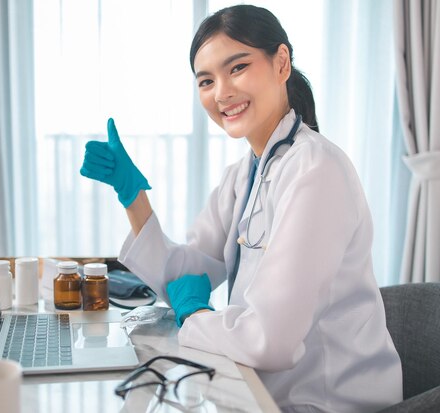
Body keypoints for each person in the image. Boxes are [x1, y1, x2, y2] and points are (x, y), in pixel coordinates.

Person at [80, 4, 402, 412]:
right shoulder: (245, 174)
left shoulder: (316, 171)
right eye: (206, 81)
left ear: (281, 63)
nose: (222, 93)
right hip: (263, 389)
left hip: (328, 399)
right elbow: (187, 274)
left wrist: (195, 315)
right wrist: (132, 197)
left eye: (237, 68)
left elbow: (271, 338)